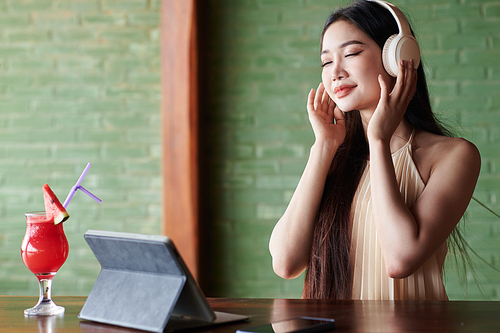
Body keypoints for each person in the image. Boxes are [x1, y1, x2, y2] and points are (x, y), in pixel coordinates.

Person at [268, 0, 481, 300]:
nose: (335, 72)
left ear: (398, 57)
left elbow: (400, 258)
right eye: (327, 62)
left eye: (351, 53)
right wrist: (324, 145)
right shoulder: (333, 156)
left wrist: (378, 139)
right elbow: (286, 263)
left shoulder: (454, 156)